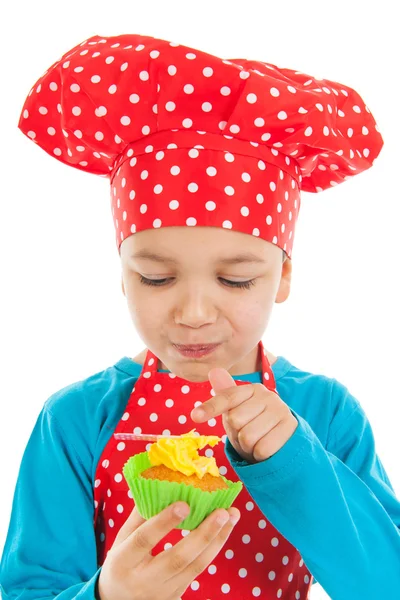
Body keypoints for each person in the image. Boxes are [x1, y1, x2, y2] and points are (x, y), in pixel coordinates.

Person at [1, 32, 399, 600]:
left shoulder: (325, 412)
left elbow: (386, 585)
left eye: (235, 279)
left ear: (283, 276)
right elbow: (26, 590)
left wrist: (294, 458)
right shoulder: (77, 419)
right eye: (156, 278)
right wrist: (107, 595)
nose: (192, 313)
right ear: (121, 272)